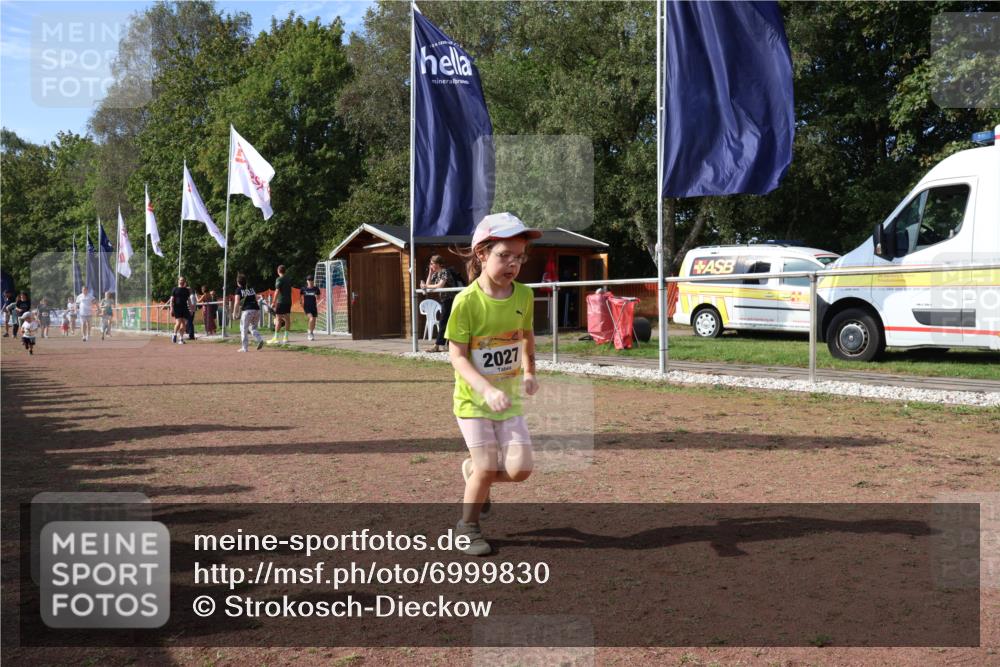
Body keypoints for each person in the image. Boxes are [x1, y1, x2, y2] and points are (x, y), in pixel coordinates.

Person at [445, 213, 541, 557]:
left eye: (519, 257)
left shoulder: (524, 296)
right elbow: (457, 357)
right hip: (473, 402)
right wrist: (486, 389)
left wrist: (530, 371)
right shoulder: (466, 302)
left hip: (509, 399)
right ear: (482, 254)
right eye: (504, 255)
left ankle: (474, 474)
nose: (513, 263)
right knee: (488, 466)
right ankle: (467, 527)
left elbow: (526, 336)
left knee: (520, 470)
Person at [420, 255, 461, 353]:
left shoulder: (444, 272)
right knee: (446, 322)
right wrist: (430, 273)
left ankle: (437, 345)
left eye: (432, 263)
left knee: (443, 321)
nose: (430, 265)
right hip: (444, 300)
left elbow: (440, 285)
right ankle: (444, 344)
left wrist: (425, 286)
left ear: (438, 264)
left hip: (451, 300)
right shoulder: (436, 274)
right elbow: (428, 286)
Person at [232, 273, 265, 352]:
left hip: (247, 311)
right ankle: (259, 339)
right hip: (257, 310)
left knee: (243, 328)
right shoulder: (250, 288)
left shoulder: (238, 290)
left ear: (238, 282)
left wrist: (234, 313)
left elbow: (236, 302)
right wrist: (260, 297)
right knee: (252, 328)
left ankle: (244, 348)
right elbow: (256, 297)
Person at [269, 264, 292, 345]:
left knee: (278, 319)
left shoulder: (279, 279)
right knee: (287, 319)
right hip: (288, 302)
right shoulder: (288, 279)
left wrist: (273, 302)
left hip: (281, 301)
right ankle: (286, 337)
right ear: (285, 271)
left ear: (278, 271)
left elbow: (277, 291)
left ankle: (276, 338)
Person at [167, 276, 191, 345]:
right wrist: (171, 308)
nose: (182, 281)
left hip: (185, 308)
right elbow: (171, 300)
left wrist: (191, 308)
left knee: (184, 324)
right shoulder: (175, 289)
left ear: (184, 281)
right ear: (178, 281)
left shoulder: (186, 290)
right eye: (181, 280)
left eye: (183, 280)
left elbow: (189, 300)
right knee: (178, 322)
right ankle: (174, 335)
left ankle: (181, 339)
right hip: (177, 308)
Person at [300, 275, 321, 341]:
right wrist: (301, 304)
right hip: (307, 307)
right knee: (311, 319)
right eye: (309, 280)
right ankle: (310, 333)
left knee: (314, 322)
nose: (310, 281)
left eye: (311, 280)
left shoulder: (316, 289)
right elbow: (300, 297)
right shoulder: (303, 289)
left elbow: (318, 298)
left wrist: (316, 296)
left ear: (313, 281)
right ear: (307, 281)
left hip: (314, 307)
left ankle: (311, 332)